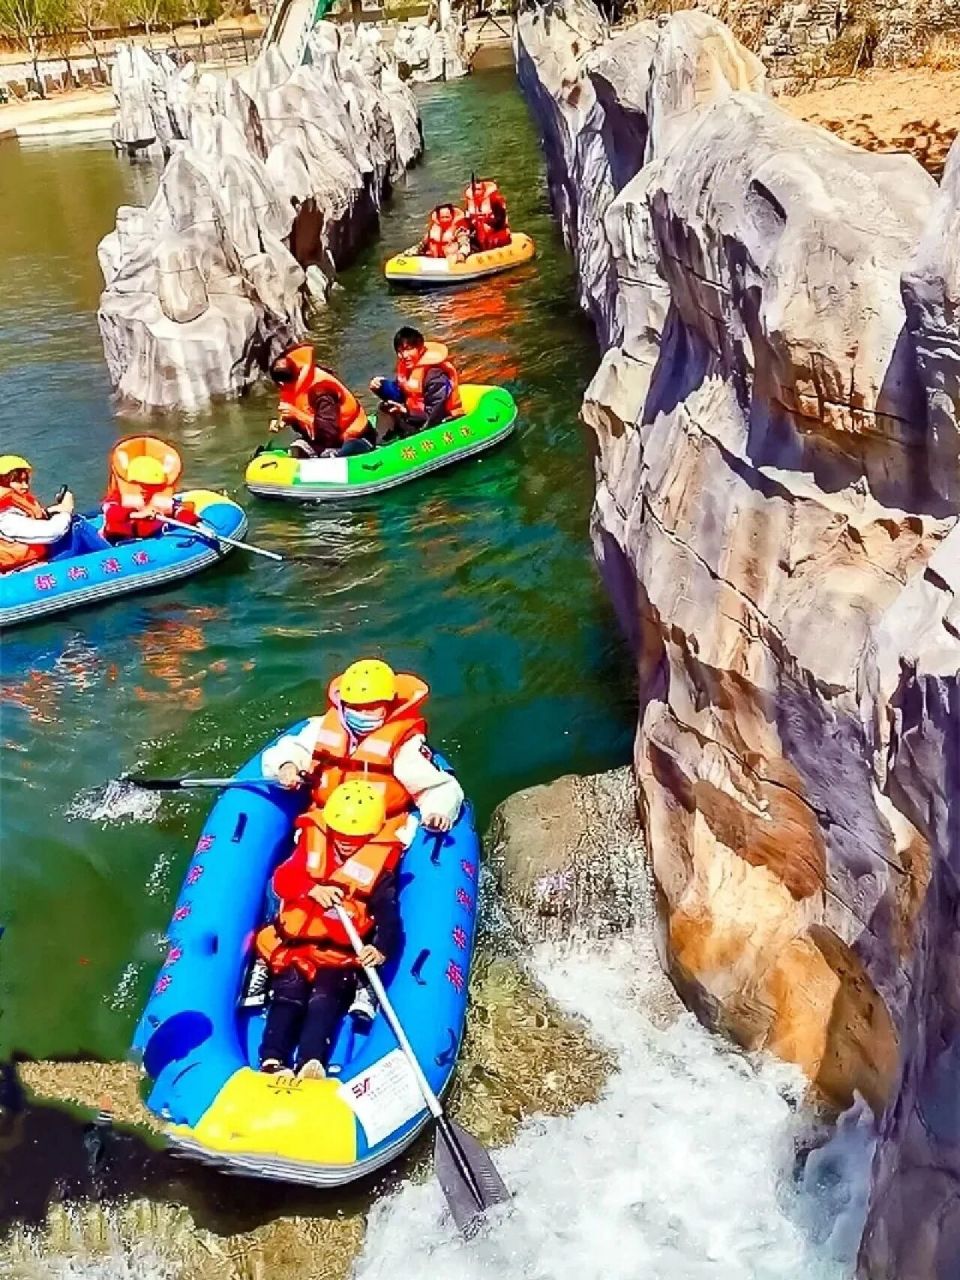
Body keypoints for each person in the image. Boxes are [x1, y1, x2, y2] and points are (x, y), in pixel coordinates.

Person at [255, 780, 413, 1079]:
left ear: (370, 835)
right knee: (288, 995)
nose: (345, 841)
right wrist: (310, 888)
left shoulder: (378, 873)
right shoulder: (309, 850)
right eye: (340, 833)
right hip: (296, 948)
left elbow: (388, 917)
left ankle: (310, 1061)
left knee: (325, 1002)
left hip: (338, 957)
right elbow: (283, 881)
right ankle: (272, 1060)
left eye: (355, 837)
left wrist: (379, 948)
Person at [261, 657, 464, 832]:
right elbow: (292, 749)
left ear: (388, 705)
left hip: (380, 827)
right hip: (328, 819)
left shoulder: (404, 745)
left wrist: (438, 811)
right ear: (343, 704)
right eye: (356, 707)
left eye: (372, 708)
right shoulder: (322, 727)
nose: (362, 714)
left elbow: (437, 787)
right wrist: (287, 766)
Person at [269, 344, 376, 459]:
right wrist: (286, 421)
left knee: (331, 457)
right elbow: (305, 419)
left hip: (355, 437)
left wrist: (297, 414)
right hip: (326, 440)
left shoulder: (321, 391)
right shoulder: (295, 387)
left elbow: (329, 432)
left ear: (281, 383)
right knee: (297, 449)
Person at [369, 327, 463, 441]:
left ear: (420, 348)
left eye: (408, 349)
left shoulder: (435, 376)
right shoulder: (408, 370)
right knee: (384, 407)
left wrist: (406, 412)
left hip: (439, 423)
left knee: (396, 416)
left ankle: (384, 448)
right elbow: (400, 393)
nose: (404, 355)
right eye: (400, 351)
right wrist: (381, 387)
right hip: (415, 418)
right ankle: (378, 446)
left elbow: (434, 415)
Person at [0, 455, 76, 574]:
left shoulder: (12, 510)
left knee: (75, 525)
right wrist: (66, 511)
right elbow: (52, 533)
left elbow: (28, 521)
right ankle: (113, 556)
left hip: (34, 563)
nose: (25, 486)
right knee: (78, 527)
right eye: (18, 481)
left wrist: (51, 511)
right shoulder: (5, 518)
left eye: (26, 480)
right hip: (22, 572)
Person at [463, 178, 511, 251]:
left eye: (479, 189)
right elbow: (466, 219)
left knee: (485, 231)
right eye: (474, 190)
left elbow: (500, 220)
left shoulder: (494, 201)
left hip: (495, 230)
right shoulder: (469, 203)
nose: (476, 192)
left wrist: (487, 225)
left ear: (484, 190)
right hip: (477, 232)